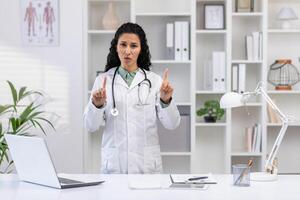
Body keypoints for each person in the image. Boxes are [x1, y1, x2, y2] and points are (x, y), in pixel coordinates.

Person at [83, 22, 181, 174]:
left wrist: (166, 100)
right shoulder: (103, 81)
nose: (127, 51)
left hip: (146, 166)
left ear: (141, 49)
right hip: (115, 166)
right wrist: (97, 105)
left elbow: (172, 124)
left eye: (134, 46)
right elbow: (90, 126)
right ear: (116, 47)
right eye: (123, 44)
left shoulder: (154, 81)